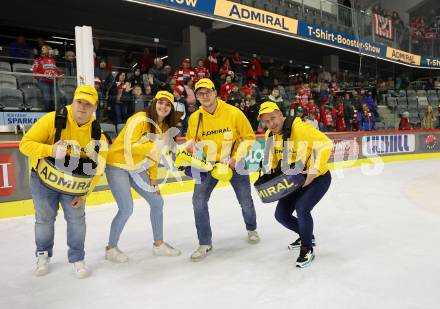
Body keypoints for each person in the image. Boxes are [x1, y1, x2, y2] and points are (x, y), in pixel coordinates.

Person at [19, 85, 109, 278]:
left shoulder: (98, 135)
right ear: (73, 101)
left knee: (77, 220)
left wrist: (85, 194)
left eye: (88, 104)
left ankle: (77, 258)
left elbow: (98, 169)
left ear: (95, 108)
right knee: (44, 220)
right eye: (79, 102)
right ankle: (43, 255)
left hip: (74, 186)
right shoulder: (53, 119)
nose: (82, 107)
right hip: (43, 180)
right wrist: (49, 150)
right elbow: (24, 144)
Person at [185, 78, 259, 261]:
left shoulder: (233, 112)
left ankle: (251, 228)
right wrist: (193, 153)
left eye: (207, 92)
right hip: (209, 165)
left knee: (245, 200)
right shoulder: (195, 117)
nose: (204, 96)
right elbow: (191, 143)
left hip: (234, 162)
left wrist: (235, 158)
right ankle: (205, 243)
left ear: (215, 92)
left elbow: (249, 137)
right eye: (200, 93)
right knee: (198, 200)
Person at [105, 90, 181, 263]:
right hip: (117, 165)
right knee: (126, 208)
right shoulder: (139, 119)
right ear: (154, 103)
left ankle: (158, 244)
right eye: (160, 102)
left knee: (157, 201)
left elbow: (154, 155)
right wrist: (151, 146)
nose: (164, 106)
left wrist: (153, 179)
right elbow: (129, 145)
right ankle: (111, 248)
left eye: (168, 104)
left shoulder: (163, 128)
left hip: (137, 167)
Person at [258, 102, 333, 268]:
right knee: (281, 216)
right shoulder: (270, 135)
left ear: (280, 114)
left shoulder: (300, 128)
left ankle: (308, 248)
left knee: (302, 208)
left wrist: (315, 168)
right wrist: (268, 173)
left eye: (273, 118)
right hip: (293, 181)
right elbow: (276, 161)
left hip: (317, 178)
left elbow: (326, 144)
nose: (271, 124)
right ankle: (306, 235)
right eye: (266, 121)